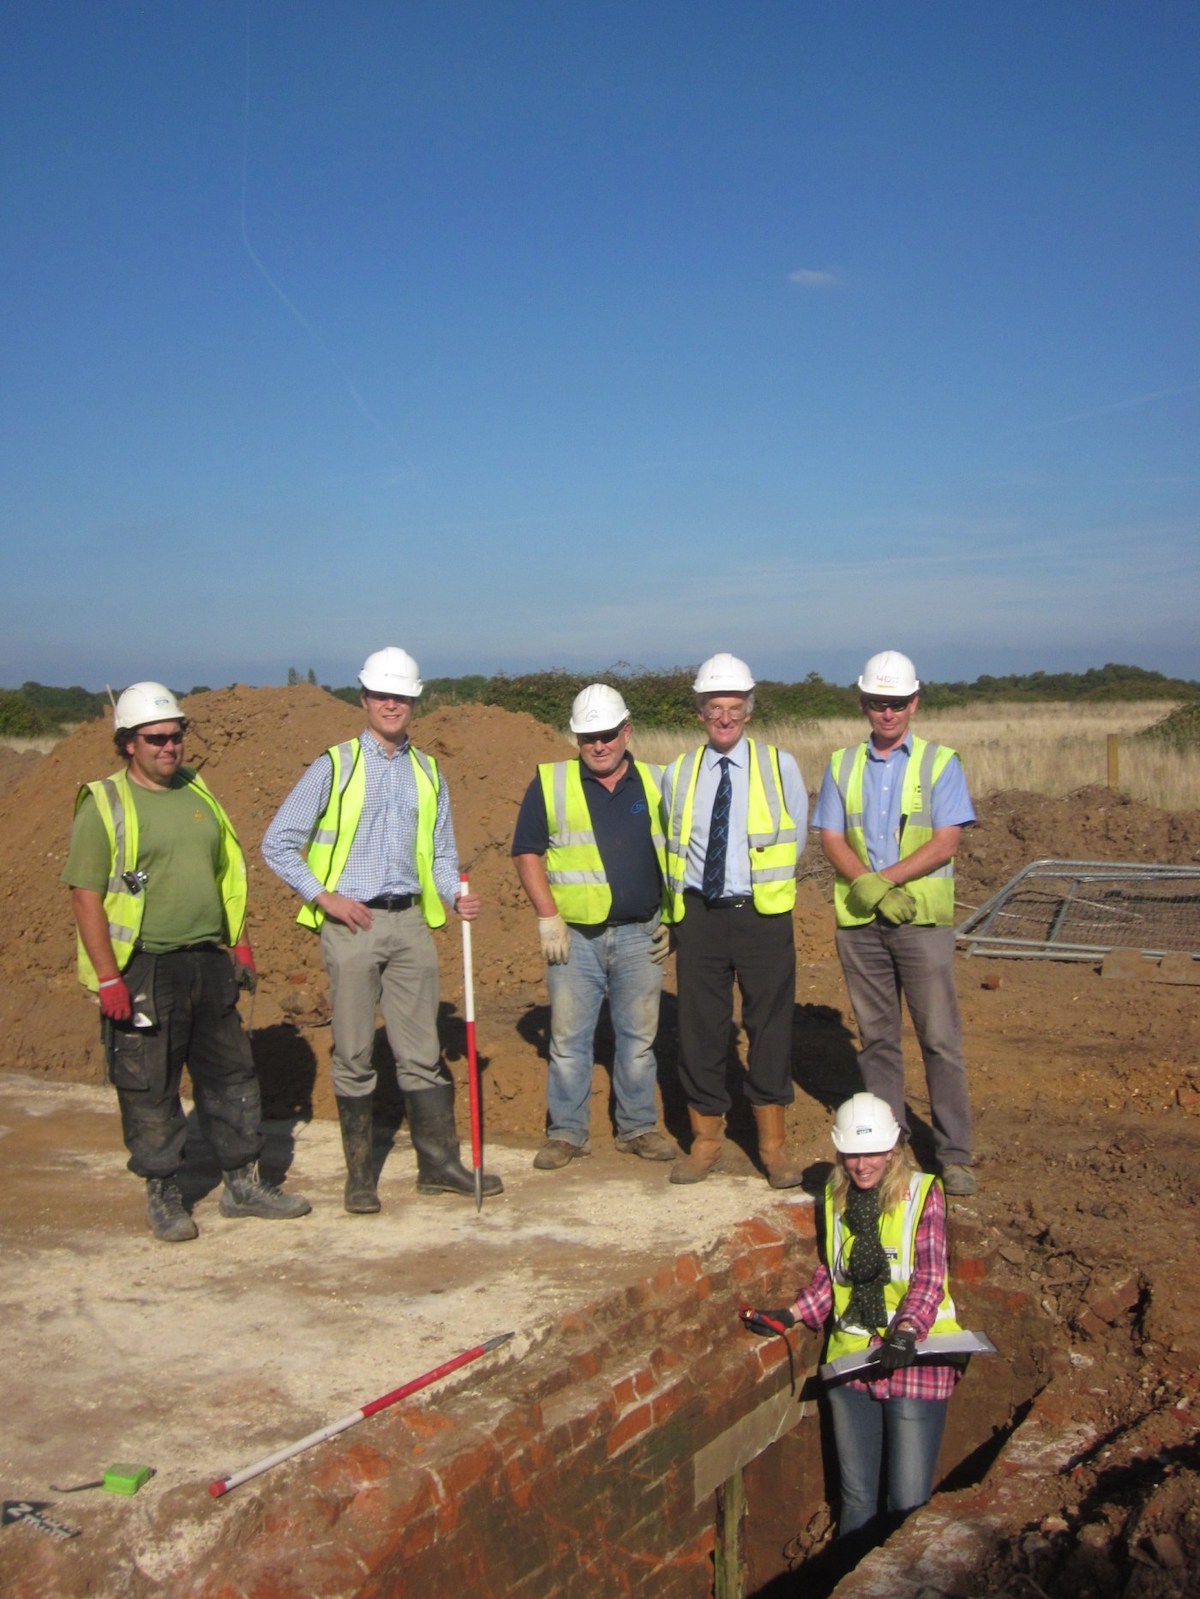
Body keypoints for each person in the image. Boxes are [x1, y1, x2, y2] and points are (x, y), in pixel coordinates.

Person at [63, 682, 312, 1242]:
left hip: (208, 961)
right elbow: (85, 896)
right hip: (145, 966)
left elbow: (229, 874)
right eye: (156, 738)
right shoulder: (105, 804)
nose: (169, 747)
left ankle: (244, 1185)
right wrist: (108, 977)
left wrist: (240, 942)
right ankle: (164, 1192)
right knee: (150, 1084)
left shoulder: (198, 791)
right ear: (129, 742)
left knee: (232, 1076)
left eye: (176, 736)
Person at [262, 647, 502, 1213]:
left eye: (402, 696)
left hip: (412, 923)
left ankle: (438, 1166)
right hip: (353, 925)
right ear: (365, 699)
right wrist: (324, 897)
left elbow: (442, 855)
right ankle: (360, 1177)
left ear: (414, 702)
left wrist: (453, 895)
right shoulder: (335, 765)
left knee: (420, 1052)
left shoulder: (428, 771)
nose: (392, 704)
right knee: (354, 1052)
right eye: (382, 695)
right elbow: (277, 842)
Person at [745, 1092, 963, 1545]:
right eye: (851, 1155)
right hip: (853, 1362)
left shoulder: (924, 1194)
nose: (861, 1165)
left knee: (906, 1503)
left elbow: (928, 1277)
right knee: (858, 1498)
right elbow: (834, 1272)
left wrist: (905, 1335)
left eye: (872, 1154)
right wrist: (791, 1314)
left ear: (893, 1150)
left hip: (915, 1360)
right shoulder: (835, 1193)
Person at [813, 650, 977, 1196]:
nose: (888, 714)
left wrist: (882, 881)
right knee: (878, 1040)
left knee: (939, 1040)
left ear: (914, 702)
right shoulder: (841, 764)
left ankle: (954, 1154)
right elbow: (831, 838)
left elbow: (946, 841)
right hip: (861, 926)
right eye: (879, 703)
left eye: (898, 703)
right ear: (864, 703)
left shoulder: (940, 762)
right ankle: (891, 1148)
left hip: (921, 924)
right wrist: (870, 888)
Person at [512, 683, 675, 1170]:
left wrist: (673, 917)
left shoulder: (658, 782)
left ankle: (638, 1126)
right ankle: (567, 1133)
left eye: (606, 734)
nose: (598, 745)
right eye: (587, 737)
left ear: (626, 731)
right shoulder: (550, 782)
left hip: (640, 934)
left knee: (639, 1040)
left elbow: (681, 851)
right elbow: (527, 852)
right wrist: (548, 916)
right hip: (575, 940)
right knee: (567, 1041)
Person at [661, 653, 807, 1187]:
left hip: (762, 915)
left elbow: (796, 837)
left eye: (734, 707)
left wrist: (764, 889)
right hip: (697, 915)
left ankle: (772, 1144)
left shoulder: (779, 765)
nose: (724, 717)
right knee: (700, 1028)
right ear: (700, 712)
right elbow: (669, 843)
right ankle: (706, 1140)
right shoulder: (679, 773)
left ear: (749, 711)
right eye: (714, 707)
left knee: (769, 1026)